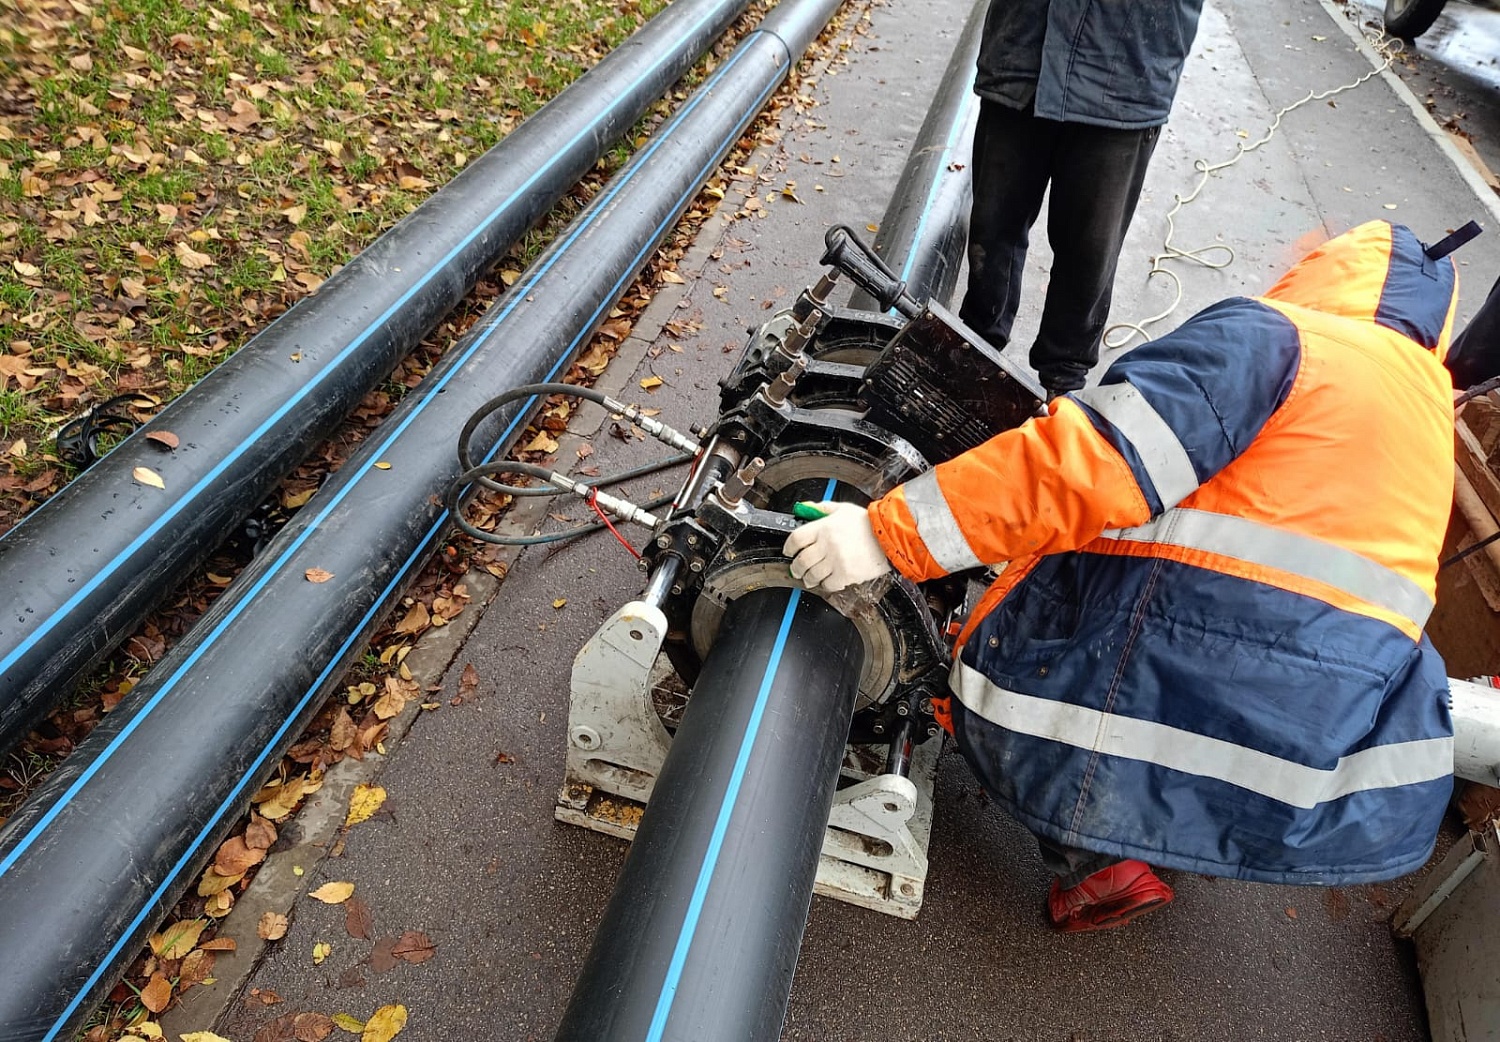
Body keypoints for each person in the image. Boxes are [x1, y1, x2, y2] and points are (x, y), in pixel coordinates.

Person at [786, 221, 1467, 932]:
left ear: (1328, 271)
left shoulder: (1278, 339)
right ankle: (1159, 826)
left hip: (1183, 679)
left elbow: (1095, 461)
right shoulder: (1428, 413)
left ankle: (1097, 862)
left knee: (1060, 631)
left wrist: (886, 534)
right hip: (1306, 752)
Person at [961, 0, 1206, 398]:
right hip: (1023, 54)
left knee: (1089, 255)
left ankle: (1062, 394)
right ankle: (968, 364)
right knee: (993, 230)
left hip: (1125, 72)